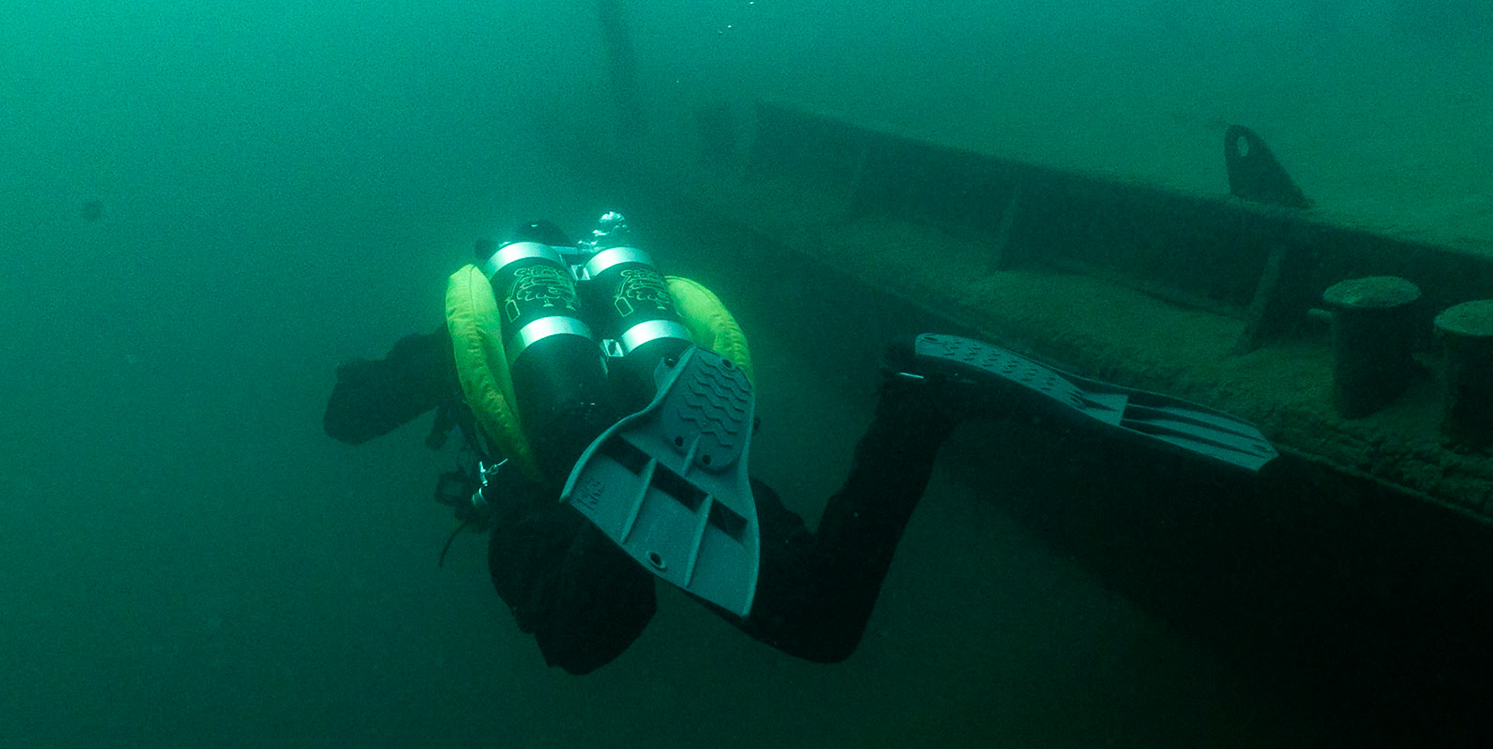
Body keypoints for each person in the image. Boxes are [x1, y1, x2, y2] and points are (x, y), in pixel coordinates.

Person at [326, 214, 1274, 675]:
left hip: (561, 478)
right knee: (814, 608)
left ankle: (612, 508)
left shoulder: (473, 333)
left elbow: (349, 414)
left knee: (582, 633)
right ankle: (919, 405)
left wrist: (390, 379)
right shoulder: (620, 287)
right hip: (674, 423)